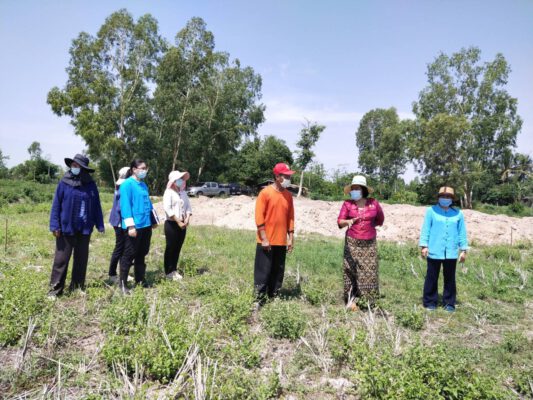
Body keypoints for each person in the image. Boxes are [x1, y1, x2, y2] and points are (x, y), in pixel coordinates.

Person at [48, 154, 104, 297]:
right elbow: (56, 205)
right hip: (66, 228)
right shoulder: (64, 182)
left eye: (77, 166)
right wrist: (55, 225)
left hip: (84, 228)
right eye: (73, 165)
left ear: (84, 169)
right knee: (61, 260)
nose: (74, 168)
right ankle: (55, 290)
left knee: (81, 259)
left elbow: (96, 205)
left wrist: (100, 224)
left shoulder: (90, 185)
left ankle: (77, 287)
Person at [337, 175, 384, 310]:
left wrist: (369, 227)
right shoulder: (347, 204)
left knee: (369, 272)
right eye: (352, 189)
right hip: (352, 242)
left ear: (363, 190)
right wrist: (348, 221)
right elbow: (340, 222)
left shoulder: (374, 203)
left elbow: (380, 219)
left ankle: (369, 301)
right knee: (350, 270)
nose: (354, 191)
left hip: (369, 244)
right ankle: (351, 300)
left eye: (357, 188)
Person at [419, 186, 468, 312]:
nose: (445, 198)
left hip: (451, 251)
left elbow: (461, 232)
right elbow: (426, 229)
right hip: (434, 249)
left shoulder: (458, 213)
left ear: (452, 199)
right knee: (431, 277)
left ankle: (449, 303)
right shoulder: (431, 211)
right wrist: (424, 246)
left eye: (448, 197)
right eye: (443, 196)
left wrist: (463, 250)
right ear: (439, 197)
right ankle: (430, 302)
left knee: (450, 278)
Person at [254, 162, 295, 302]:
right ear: (277, 177)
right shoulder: (265, 193)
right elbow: (259, 217)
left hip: (281, 241)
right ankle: (259, 299)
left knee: (277, 272)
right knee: (263, 271)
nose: (289, 178)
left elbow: (290, 217)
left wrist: (291, 237)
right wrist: (264, 238)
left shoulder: (288, 196)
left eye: (289, 176)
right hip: (266, 240)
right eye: (286, 176)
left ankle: (273, 296)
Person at [119, 159, 158, 294]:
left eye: (145, 168)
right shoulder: (127, 185)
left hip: (146, 224)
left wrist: (153, 220)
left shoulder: (143, 185)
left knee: (142, 253)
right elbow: (125, 206)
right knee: (129, 255)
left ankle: (140, 280)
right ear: (134, 169)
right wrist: (131, 226)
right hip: (134, 226)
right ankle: (123, 284)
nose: (144, 171)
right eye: (142, 168)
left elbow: (148, 203)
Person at [163, 170, 192, 281]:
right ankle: (168, 271)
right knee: (170, 247)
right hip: (172, 224)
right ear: (173, 181)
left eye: (182, 179)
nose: (181, 181)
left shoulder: (183, 193)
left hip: (183, 224)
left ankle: (174, 269)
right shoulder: (169, 192)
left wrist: (187, 218)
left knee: (178, 247)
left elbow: (188, 207)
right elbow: (167, 208)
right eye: (179, 179)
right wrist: (178, 221)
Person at [108, 166, 130, 284]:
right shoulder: (122, 186)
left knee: (124, 248)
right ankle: (112, 273)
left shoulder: (120, 185)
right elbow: (120, 207)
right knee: (120, 247)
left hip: (121, 221)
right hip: (119, 221)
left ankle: (123, 272)